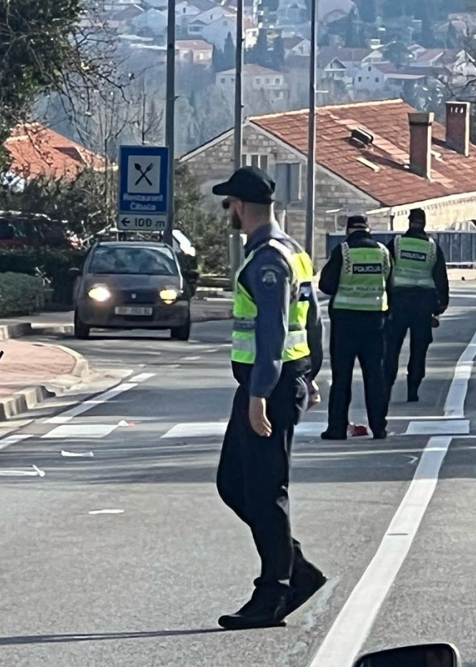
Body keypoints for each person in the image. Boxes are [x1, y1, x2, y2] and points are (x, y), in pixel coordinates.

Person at [212, 166, 327, 630]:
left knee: (264, 491)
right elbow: (313, 320)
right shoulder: (292, 251)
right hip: (278, 382)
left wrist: (261, 393)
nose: (229, 214)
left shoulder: (266, 259)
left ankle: (275, 591)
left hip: (269, 388)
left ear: (239, 207)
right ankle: (296, 570)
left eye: (229, 206)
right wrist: (311, 372)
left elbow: (273, 331)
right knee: (234, 484)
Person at [318, 215, 392, 440]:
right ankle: (379, 427)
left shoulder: (344, 252)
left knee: (342, 378)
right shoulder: (383, 252)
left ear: (348, 230)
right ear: (368, 230)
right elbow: (390, 283)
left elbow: (326, 285)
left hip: (345, 322)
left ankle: (337, 429)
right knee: (375, 376)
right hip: (375, 322)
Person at [385, 208, 449, 402]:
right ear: (424, 222)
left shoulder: (396, 244)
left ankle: (386, 386)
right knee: (419, 349)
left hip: (398, 302)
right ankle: (413, 388)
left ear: (409, 221)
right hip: (423, 304)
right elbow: (440, 278)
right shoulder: (431, 247)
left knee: (392, 347)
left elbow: (385, 272)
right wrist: (440, 307)